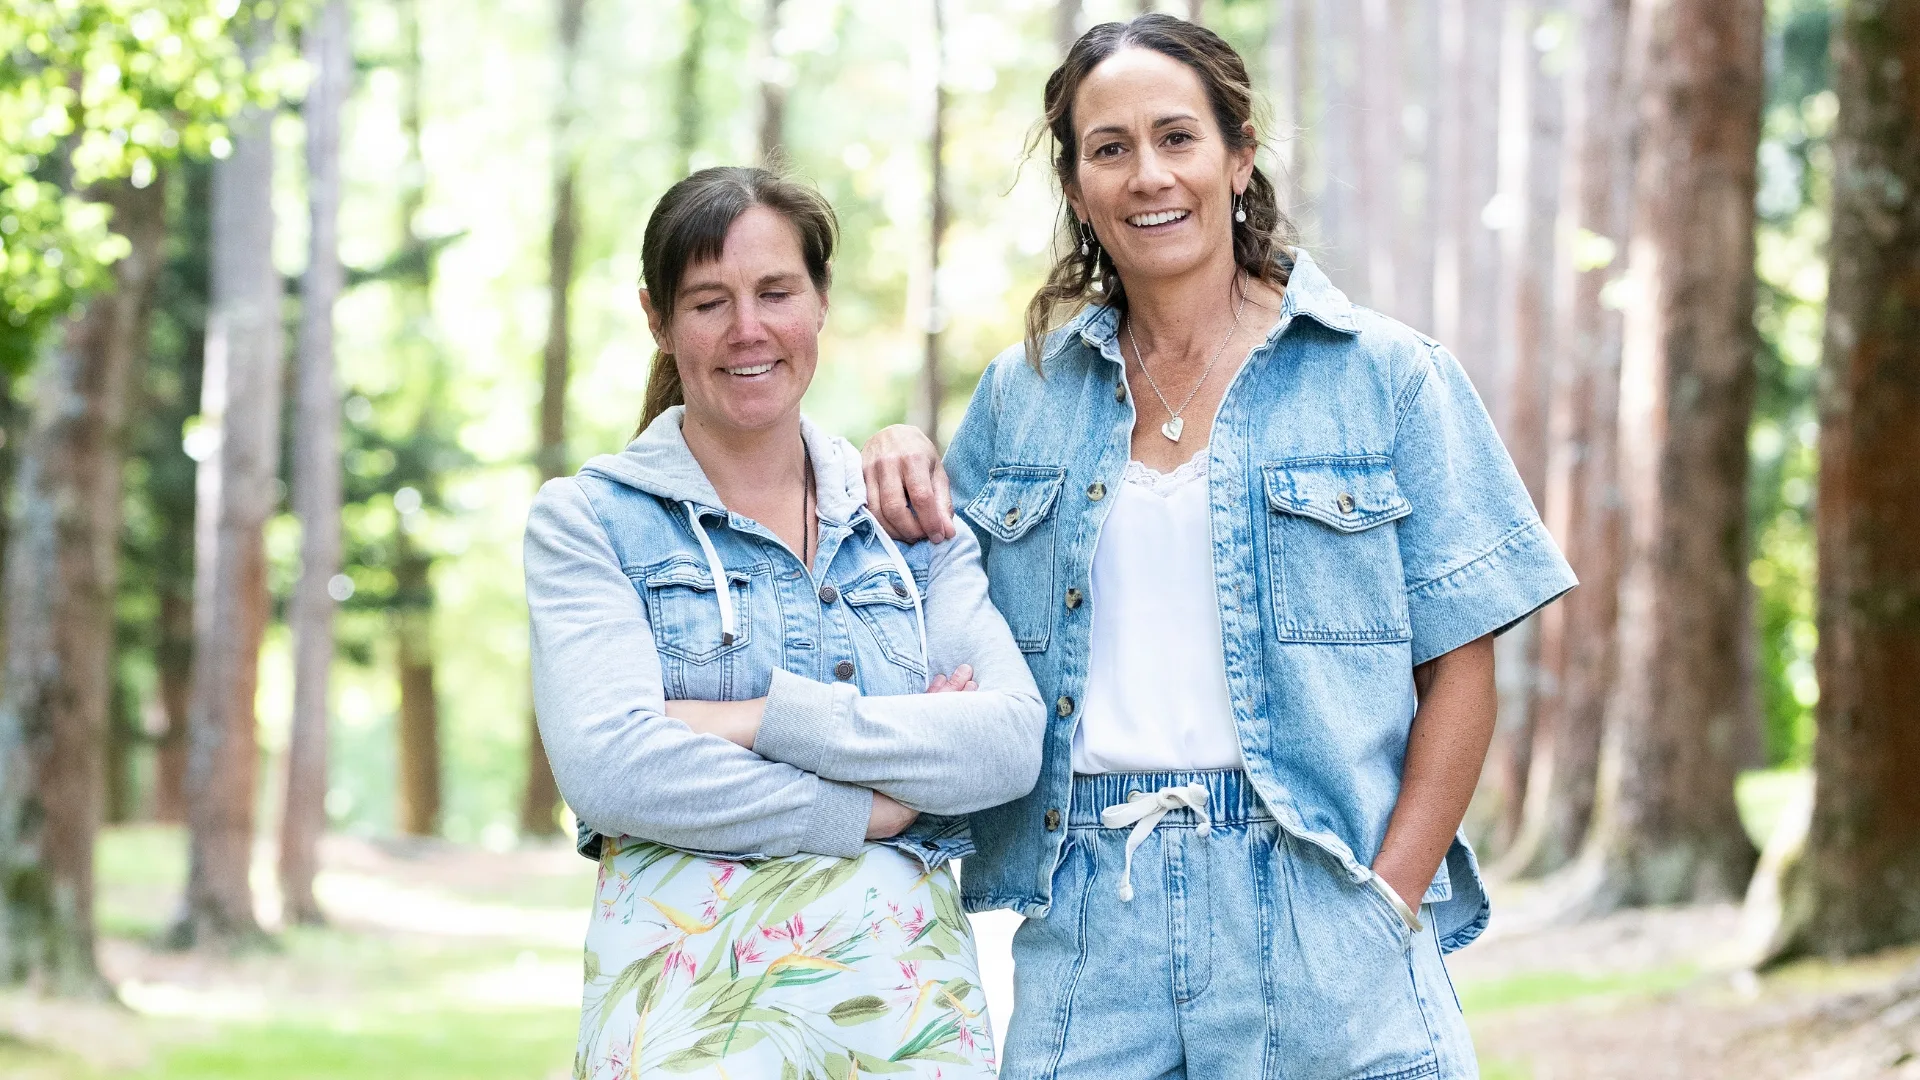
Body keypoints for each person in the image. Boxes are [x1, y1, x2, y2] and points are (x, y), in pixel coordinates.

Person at [861, 15, 1578, 1079]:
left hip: (1322, 902)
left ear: (1238, 155)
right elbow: (933, 612)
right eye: (1109, 148)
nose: (1148, 175)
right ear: (1076, 187)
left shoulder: (1387, 376)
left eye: (1177, 138)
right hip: (1091, 919)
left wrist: (1388, 898)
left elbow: (1461, 668)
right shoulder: (1024, 399)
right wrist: (895, 454)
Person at [524, 166, 1045, 1079]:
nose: (747, 330)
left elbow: (1004, 743)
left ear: (821, 301)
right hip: (686, 1030)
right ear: (657, 318)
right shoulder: (589, 522)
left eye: (775, 292)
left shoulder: (905, 524)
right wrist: (872, 809)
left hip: (904, 1029)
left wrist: (750, 717)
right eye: (708, 302)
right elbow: (610, 768)